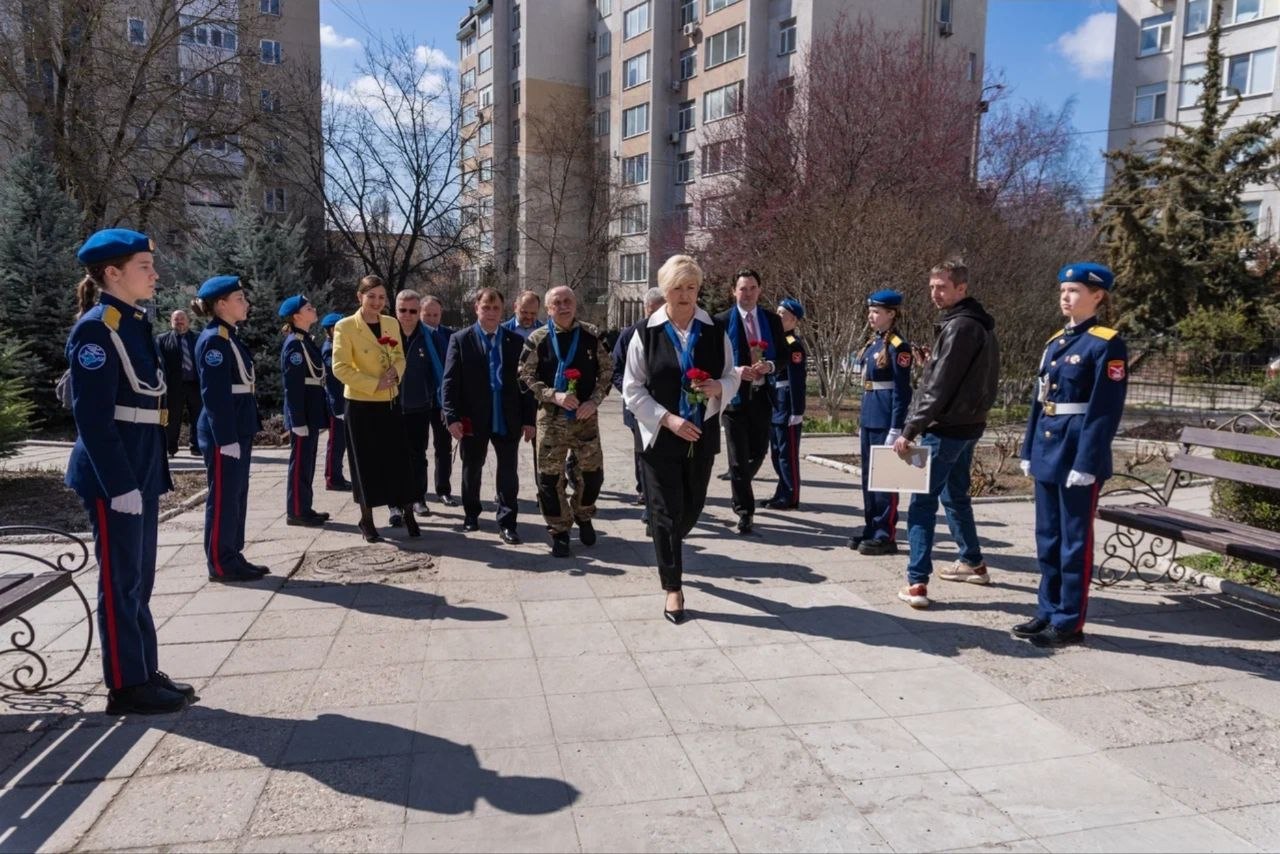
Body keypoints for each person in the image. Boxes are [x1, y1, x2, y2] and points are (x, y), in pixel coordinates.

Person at [65, 228, 192, 715]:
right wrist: (120, 484)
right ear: (112, 273)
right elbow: (93, 419)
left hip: (140, 460)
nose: (155, 274)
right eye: (144, 266)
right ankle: (125, 685)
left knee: (139, 577)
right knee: (120, 579)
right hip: (111, 469)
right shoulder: (97, 329)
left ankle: (142, 668)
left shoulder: (134, 323)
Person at [1015, 263, 1128, 647]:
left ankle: (1069, 621)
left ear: (1098, 296)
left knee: (1074, 542)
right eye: (1063, 289)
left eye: (1075, 290)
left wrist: (1087, 461)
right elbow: (1040, 400)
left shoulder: (1106, 343)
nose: (1066, 296)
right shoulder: (1054, 342)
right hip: (1048, 448)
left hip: (1077, 450)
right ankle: (1047, 610)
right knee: (1047, 537)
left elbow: (1104, 410)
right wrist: (1028, 447)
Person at [623, 255, 740, 624]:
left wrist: (718, 387)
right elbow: (632, 389)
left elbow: (732, 374)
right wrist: (667, 419)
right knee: (665, 512)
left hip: (700, 435)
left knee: (691, 507)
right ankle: (673, 587)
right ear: (666, 291)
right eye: (678, 288)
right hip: (660, 437)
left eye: (692, 287)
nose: (686, 295)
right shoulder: (645, 332)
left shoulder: (715, 330)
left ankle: (669, 538)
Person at [892, 261, 1000, 609]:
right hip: (968, 426)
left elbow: (938, 389)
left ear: (961, 289)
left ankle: (916, 583)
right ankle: (972, 562)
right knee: (955, 496)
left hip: (947, 430)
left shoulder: (960, 327)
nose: (934, 293)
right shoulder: (977, 324)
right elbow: (957, 378)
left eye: (942, 286)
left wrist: (910, 429)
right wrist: (932, 364)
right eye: (932, 286)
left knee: (921, 504)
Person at [518, 285, 613, 557]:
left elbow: (607, 372)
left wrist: (593, 401)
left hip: (585, 418)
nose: (563, 306)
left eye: (567, 301)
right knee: (549, 479)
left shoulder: (593, 335)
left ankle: (583, 513)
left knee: (593, 476)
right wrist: (553, 395)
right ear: (548, 309)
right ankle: (559, 530)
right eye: (556, 302)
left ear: (575, 303)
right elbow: (525, 374)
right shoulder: (538, 338)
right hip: (551, 419)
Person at [331, 275, 420, 543]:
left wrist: (395, 372)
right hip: (361, 403)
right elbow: (340, 367)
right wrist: (373, 383)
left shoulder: (391, 323)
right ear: (360, 297)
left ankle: (407, 512)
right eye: (371, 296)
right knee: (365, 463)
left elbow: (400, 356)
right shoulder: (345, 327)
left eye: (381, 297)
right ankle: (366, 518)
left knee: (399, 460)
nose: (377, 302)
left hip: (389, 402)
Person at [443, 287, 536, 543]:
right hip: (472, 416)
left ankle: (507, 522)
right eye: (486, 307)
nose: (491, 312)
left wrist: (529, 420)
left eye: (496, 308)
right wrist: (450, 417)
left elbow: (525, 384)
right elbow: (449, 381)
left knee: (508, 470)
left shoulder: (515, 341)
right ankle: (472, 515)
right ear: (477, 308)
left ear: (503, 310)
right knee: (472, 467)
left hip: (507, 415)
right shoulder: (460, 339)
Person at [192, 275, 266, 584]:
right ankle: (221, 563)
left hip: (238, 426)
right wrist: (225, 438)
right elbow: (215, 394)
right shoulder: (214, 340)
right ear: (221, 304)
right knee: (223, 497)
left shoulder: (228, 336)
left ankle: (232, 554)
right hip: (226, 432)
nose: (245, 303)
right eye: (239, 299)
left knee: (236, 494)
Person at [715, 269, 788, 535]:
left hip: (762, 397)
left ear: (760, 290)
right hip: (733, 400)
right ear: (733, 291)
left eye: (752, 288)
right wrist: (736, 372)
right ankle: (744, 511)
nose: (747, 293)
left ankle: (740, 482)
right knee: (737, 458)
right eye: (742, 288)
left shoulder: (771, 320)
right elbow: (713, 362)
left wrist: (769, 365)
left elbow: (783, 356)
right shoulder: (721, 321)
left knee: (758, 452)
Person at [850, 290, 913, 554]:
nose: (871, 316)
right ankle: (871, 526)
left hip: (885, 418)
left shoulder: (899, 346)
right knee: (869, 478)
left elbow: (902, 390)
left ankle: (885, 533)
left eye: (877, 312)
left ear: (891, 314)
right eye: (871, 311)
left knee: (885, 480)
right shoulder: (875, 343)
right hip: (870, 416)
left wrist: (896, 427)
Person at [612, 287, 666, 519]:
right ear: (645, 309)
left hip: (665, 408)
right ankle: (646, 494)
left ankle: (659, 495)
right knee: (643, 453)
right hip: (637, 407)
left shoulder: (669, 334)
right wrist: (633, 393)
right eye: (652, 311)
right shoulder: (631, 334)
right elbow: (616, 370)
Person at [279, 295, 329, 528]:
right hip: (303, 414)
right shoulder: (295, 344)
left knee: (307, 462)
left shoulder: (306, 341)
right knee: (300, 463)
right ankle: (296, 511)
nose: (314, 309)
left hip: (311, 410)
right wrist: (297, 419)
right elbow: (294, 385)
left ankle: (304, 506)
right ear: (297, 316)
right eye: (309, 307)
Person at [391, 289, 433, 525]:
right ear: (396, 310)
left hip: (420, 406)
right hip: (391, 405)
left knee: (418, 456)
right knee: (393, 456)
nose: (407, 315)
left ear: (419, 312)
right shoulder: (385, 335)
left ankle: (418, 498)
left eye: (413, 311)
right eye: (402, 310)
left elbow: (437, 370)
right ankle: (395, 504)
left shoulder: (427, 337)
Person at [764, 297, 808, 510]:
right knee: (777, 452)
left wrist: (797, 410)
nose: (778, 316)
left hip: (787, 405)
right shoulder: (777, 341)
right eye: (778, 312)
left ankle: (791, 495)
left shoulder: (793, 345)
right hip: (775, 405)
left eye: (783, 314)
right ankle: (782, 491)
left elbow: (797, 380)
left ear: (793, 320)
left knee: (787, 454)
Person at [421, 295, 458, 508]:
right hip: (420, 400)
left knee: (443, 447)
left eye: (436, 315)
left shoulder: (450, 336)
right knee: (419, 448)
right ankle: (419, 494)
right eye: (428, 315)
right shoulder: (415, 334)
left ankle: (443, 489)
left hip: (443, 401)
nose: (432, 319)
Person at [155, 309, 202, 457]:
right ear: (171, 322)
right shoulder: (161, 340)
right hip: (174, 386)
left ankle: (197, 448)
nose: (179, 321)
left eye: (182, 318)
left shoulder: (198, 338)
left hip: (195, 384)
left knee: (198, 416)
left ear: (188, 321)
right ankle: (170, 448)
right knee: (172, 418)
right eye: (176, 319)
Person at [319, 312, 350, 491]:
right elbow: (333, 377)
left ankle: (337, 475)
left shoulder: (338, 346)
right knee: (336, 443)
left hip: (342, 401)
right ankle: (332, 478)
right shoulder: (329, 348)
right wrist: (337, 407)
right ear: (330, 330)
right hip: (336, 403)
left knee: (341, 443)